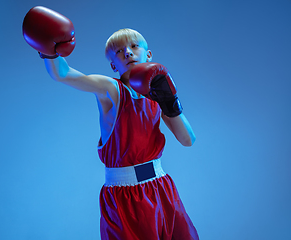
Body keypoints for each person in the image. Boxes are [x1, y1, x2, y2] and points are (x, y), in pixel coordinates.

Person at [23, 6, 199, 240]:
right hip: (124, 196)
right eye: (119, 52)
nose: (127, 52)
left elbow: (188, 140)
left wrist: (170, 103)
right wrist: (51, 53)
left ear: (148, 55)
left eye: (134, 46)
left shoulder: (157, 92)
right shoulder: (111, 90)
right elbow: (64, 74)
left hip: (161, 188)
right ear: (113, 66)